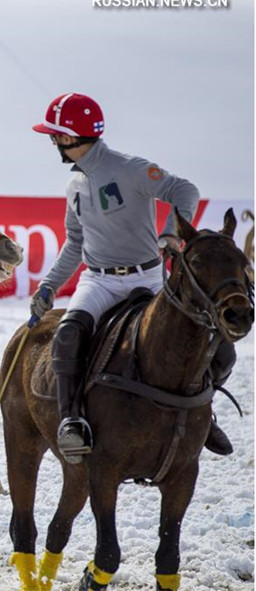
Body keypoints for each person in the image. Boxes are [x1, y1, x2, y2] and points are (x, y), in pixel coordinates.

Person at [29, 92, 235, 463]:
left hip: (149, 278)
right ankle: (72, 421)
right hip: (100, 281)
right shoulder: (73, 184)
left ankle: (206, 414)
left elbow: (184, 190)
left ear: (72, 136)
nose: (53, 142)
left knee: (221, 348)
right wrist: (48, 285)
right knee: (68, 335)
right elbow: (74, 244)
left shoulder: (128, 168)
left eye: (55, 134)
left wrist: (173, 233)